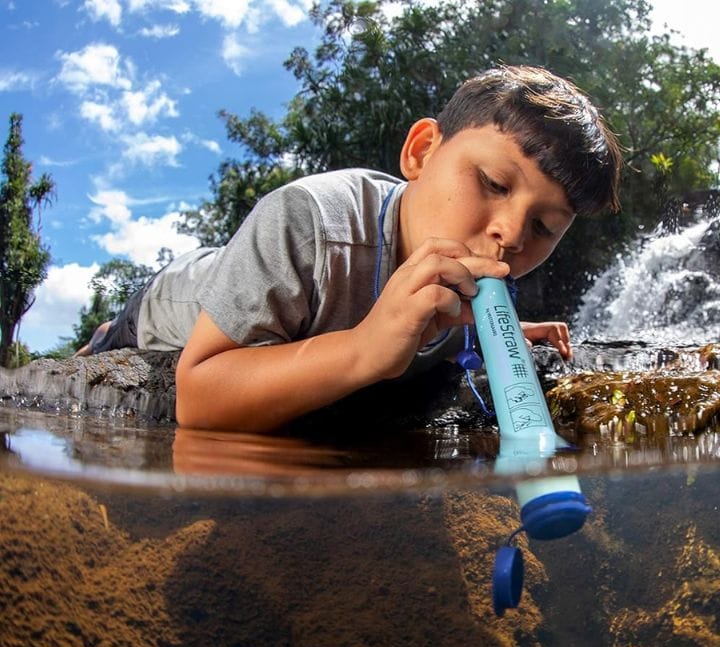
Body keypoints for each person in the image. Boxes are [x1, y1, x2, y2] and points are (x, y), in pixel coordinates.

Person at [77, 65, 622, 432]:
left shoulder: (470, 270)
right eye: (493, 184)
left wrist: (491, 331)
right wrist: (363, 350)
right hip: (175, 302)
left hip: (280, 295)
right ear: (422, 152)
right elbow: (197, 399)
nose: (511, 233)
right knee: (111, 349)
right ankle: (101, 336)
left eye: (546, 226)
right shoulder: (309, 220)